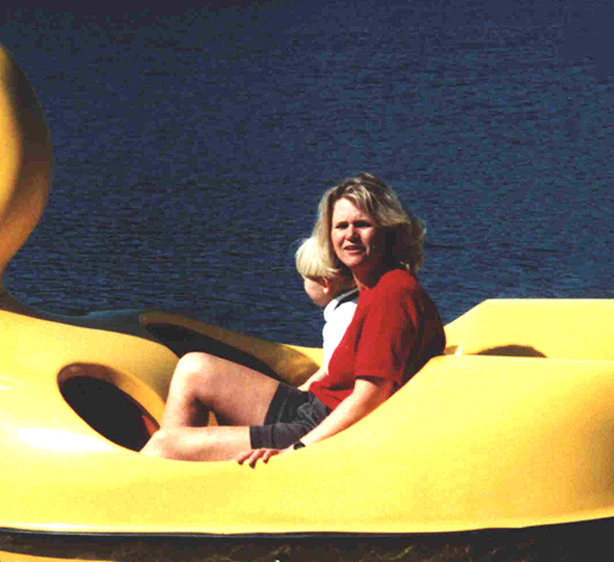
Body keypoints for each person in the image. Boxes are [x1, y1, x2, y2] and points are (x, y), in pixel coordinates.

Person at [140, 173, 446, 466]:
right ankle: (188, 475)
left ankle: (168, 479)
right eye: (340, 226)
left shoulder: (392, 294)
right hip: (313, 407)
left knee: (165, 445)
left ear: (387, 230)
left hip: (322, 426)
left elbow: (370, 397)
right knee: (196, 367)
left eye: (362, 225)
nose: (349, 235)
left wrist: (298, 449)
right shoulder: (372, 286)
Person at [294, 235, 359, 379]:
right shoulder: (362, 303)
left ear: (325, 284)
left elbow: (335, 374)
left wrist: (302, 390)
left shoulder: (339, 322)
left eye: (305, 278)